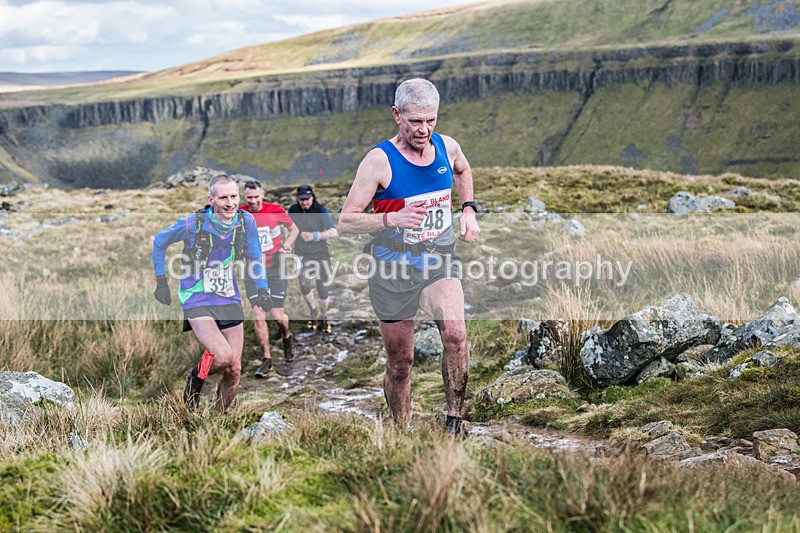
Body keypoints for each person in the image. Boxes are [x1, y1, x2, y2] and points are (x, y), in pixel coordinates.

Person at [338, 78, 480, 435]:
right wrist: (390, 218)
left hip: (437, 260)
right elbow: (346, 220)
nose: (424, 129)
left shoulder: (446, 147)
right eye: (416, 121)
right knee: (401, 364)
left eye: (431, 120)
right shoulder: (379, 161)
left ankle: (454, 420)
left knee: (455, 335)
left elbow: (463, 169)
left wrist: (468, 209)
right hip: (392, 272)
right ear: (396, 114)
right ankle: (401, 431)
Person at [152, 173, 272, 411]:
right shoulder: (193, 224)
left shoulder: (245, 221)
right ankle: (196, 376)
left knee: (234, 369)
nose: (230, 203)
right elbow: (160, 241)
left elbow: (255, 256)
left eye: (234, 196)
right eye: (223, 197)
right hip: (196, 296)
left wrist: (262, 288)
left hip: (227, 294)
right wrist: (161, 281)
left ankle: (215, 423)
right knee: (222, 356)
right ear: (212, 200)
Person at [240, 179, 299, 377]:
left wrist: (286, 246)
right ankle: (267, 359)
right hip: (253, 270)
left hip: (275, 268)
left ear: (262, 195)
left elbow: (294, 229)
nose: (253, 201)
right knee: (258, 314)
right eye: (249, 197)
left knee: (277, 316)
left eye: (256, 197)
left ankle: (286, 335)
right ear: (244, 197)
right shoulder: (240, 213)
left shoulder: (274, 210)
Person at [288, 184, 338, 333]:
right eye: (301, 199)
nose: (304, 202)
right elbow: (288, 229)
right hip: (301, 254)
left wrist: (315, 236)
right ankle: (313, 311)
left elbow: (333, 232)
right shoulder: (293, 210)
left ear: (312, 197)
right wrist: (288, 245)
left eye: (307, 199)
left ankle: (324, 316)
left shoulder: (320, 210)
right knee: (304, 285)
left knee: (322, 288)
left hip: (320, 254)